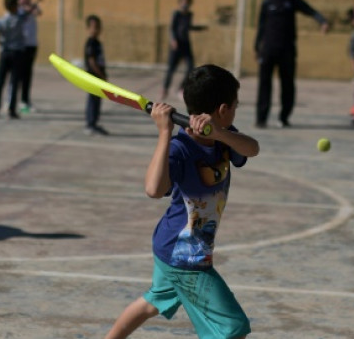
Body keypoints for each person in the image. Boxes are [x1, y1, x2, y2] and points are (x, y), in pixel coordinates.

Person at [104, 64, 260, 339]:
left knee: (153, 302)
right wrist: (164, 132)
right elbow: (153, 189)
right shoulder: (180, 149)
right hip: (183, 255)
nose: (235, 112)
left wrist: (220, 133)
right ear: (223, 109)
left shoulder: (225, 137)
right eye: (235, 106)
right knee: (231, 326)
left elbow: (252, 148)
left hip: (178, 247)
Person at [254, 0, 330, 128]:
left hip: (287, 50)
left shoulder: (292, 0)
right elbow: (261, 26)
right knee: (264, 84)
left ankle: (284, 117)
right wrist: (257, 46)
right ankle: (261, 118)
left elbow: (310, 10)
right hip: (268, 49)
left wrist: (322, 21)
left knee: (287, 84)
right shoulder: (267, 2)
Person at [161, 0, 207, 101]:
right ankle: (165, 89)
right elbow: (172, 28)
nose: (185, 4)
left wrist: (200, 28)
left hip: (186, 45)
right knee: (171, 69)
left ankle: (181, 88)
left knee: (191, 68)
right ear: (180, 3)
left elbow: (188, 27)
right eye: (183, 2)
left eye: (187, 3)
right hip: (176, 45)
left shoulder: (189, 14)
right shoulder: (176, 14)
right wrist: (173, 40)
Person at [0, 0, 31, 119]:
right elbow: (29, 12)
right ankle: (12, 110)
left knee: (0, 82)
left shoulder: (1, 21)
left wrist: (4, 43)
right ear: (14, 6)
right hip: (17, 53)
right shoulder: (20, 19)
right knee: (14, 82)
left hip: (5, 52)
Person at [16, 0, 43, 113]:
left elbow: (38, 13)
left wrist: (31, 6)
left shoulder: (32, 6)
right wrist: (26, 7)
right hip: (20, 45)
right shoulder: (16, 7)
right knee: (17, 74)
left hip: (31, 44)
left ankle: (25, 100)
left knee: (28, 74)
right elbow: (19, 15)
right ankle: (11, 100)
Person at [84, 14, 108, 135]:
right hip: (93, 77)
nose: (96, 30)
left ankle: (94, 122)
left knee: (97, 101)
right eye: (93, 27)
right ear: (88, 28)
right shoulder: (91, 43)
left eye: (98, 27)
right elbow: (92, 61)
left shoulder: (98, 42)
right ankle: (90, 124)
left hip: (99, 77)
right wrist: (100, 74)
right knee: (92, 100)